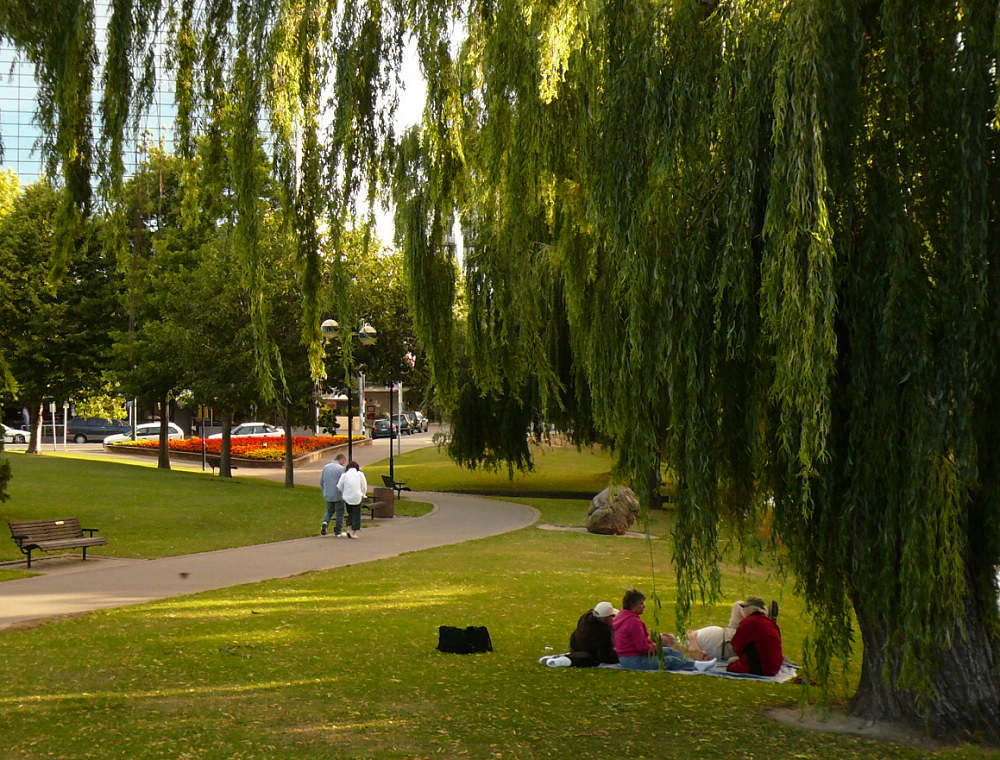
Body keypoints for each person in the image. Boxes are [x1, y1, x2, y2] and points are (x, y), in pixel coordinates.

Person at [613, 589, 696, 671]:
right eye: (641, 603)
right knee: (670, 660)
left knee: (669, 651)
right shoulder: (633, 622)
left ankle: (693, 663)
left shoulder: (622, 616)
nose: (644, 606)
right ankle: (696, 666)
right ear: (633, 605)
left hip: (626, 659)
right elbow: (642, 648)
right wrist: (656, 646)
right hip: (634, 660)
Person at [685, 596, 769, 661]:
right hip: (727, 643)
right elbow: (699, 657)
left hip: (727, 632)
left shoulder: (682, 641)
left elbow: (690, 633)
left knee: (738, 604)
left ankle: (761, 615)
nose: (671, 638)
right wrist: (695, 647)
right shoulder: (682, 654)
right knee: (742, 609)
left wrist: (693, 644)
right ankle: (762, 619)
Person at [726, 597, 783, 676]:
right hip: (775, 667)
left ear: (753, 609)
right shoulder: (771, 624)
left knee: (731, 664)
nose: (743, 610)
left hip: (761, 667)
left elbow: (737, 646)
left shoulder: (748, 622)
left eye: (745, 608)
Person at [568, 601, 620, 666]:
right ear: (606, 618)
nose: (613, 619)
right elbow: (605, 656)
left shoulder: (586, 617)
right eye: (612, 616)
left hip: (573, 646)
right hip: (582, 654)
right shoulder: (601, 632)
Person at [337, 461, 368, 539]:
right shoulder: (360, 474)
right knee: (356, 514)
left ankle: (348, 529)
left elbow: (339, 486)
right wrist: (363, 494)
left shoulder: (344, 475)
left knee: (350, 513)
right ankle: (353, 532)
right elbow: (364, 486)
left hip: (347, 497)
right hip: (357, 496)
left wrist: (344, 491)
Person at [319, 453, 347, 536]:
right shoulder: (341, 469)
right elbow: (343, 482)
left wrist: (325, 490)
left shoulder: (326, 467)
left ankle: (325, 522)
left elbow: (321, 481)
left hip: (328, 493)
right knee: (340, 513)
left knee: (329, 511)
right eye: (343, 462)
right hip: (338, 494)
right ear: (341, 460)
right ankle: (338, 531)